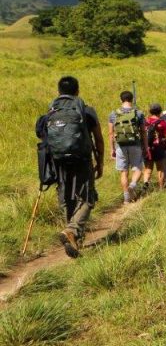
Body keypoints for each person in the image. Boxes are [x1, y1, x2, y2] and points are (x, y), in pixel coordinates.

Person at [35, 76, 104, 259]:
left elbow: (42, 136)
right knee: (87, 198)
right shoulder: (87, 111)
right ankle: (72, 230)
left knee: (67, 197)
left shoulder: (51, 112)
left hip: (58, 161)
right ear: (77, 90)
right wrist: (100, 161)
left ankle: (73, 237)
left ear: (59, 92)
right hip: (82, 159)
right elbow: (98, 139)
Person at [108, 90, 145, 205]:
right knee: (138, 168)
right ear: (132, 99)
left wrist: (112, 149)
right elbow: (143, 132)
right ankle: (132, 185)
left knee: (123, 172)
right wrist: (146, 146)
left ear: (121, 100)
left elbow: (111, 133)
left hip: (120, 145)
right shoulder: (138, 113)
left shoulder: (113, 114)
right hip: (135, 144)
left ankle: (126, 199)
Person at [142, 103, 166, 191]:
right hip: (159, 147)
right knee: (160, 169)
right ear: (160, 111)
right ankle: (161, 188)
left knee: (148, 168)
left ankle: (146, 183)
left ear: (150, 111)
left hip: (148, 147)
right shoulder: (162, 122)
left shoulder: (146, 122)